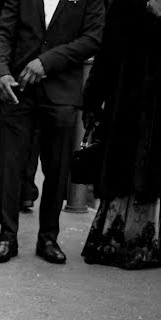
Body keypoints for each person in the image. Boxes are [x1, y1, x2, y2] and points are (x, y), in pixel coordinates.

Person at [0, 0, 104, 263]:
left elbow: (93, 37)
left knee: (57, 168)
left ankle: (48, 238)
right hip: (17, 89)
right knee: (10, 164)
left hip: (62, 93)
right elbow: (3, 33)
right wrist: (1, 73)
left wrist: (47, 62)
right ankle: (7, 236)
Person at [81, 0, 161, 269]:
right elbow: (107, 52)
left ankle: (138, 240)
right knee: (123, 164)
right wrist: (93, 99)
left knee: (148, 169)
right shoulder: (124, 4)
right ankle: (119, 238)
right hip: (126, 104)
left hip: (144, 105)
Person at [0, 0, 38, 212]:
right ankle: (26, 190)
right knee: (31, 132)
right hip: (31, 54)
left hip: (3, 61)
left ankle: (6, 193)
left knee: (5, 134)